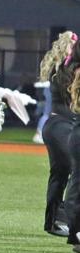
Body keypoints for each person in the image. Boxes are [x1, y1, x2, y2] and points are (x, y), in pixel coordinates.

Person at [38, 31, 78, 237]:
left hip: (55, 125)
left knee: (60, 174)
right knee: (74, 171)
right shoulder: (63, 69)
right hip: (61, 125)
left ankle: (52, 221)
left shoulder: (59, 67)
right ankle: (66, 218)